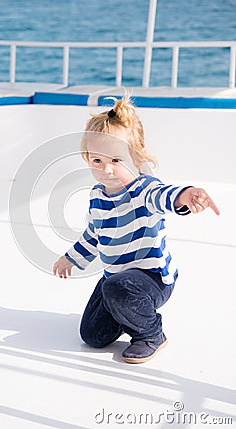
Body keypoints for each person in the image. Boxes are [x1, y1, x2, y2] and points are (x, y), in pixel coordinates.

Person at [53, 96, 220, 363]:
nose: (106, 169)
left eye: (116, 160)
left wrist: (185, 195)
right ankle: (124, 310)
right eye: (97, 160)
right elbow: (94, 235)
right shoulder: (98, 196)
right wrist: (71, 258)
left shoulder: (143, 189)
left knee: (117, 287)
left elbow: (164, 195)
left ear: (135, 158)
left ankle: (152, 334)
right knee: (92, 336)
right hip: (116, 279)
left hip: (151, 280)